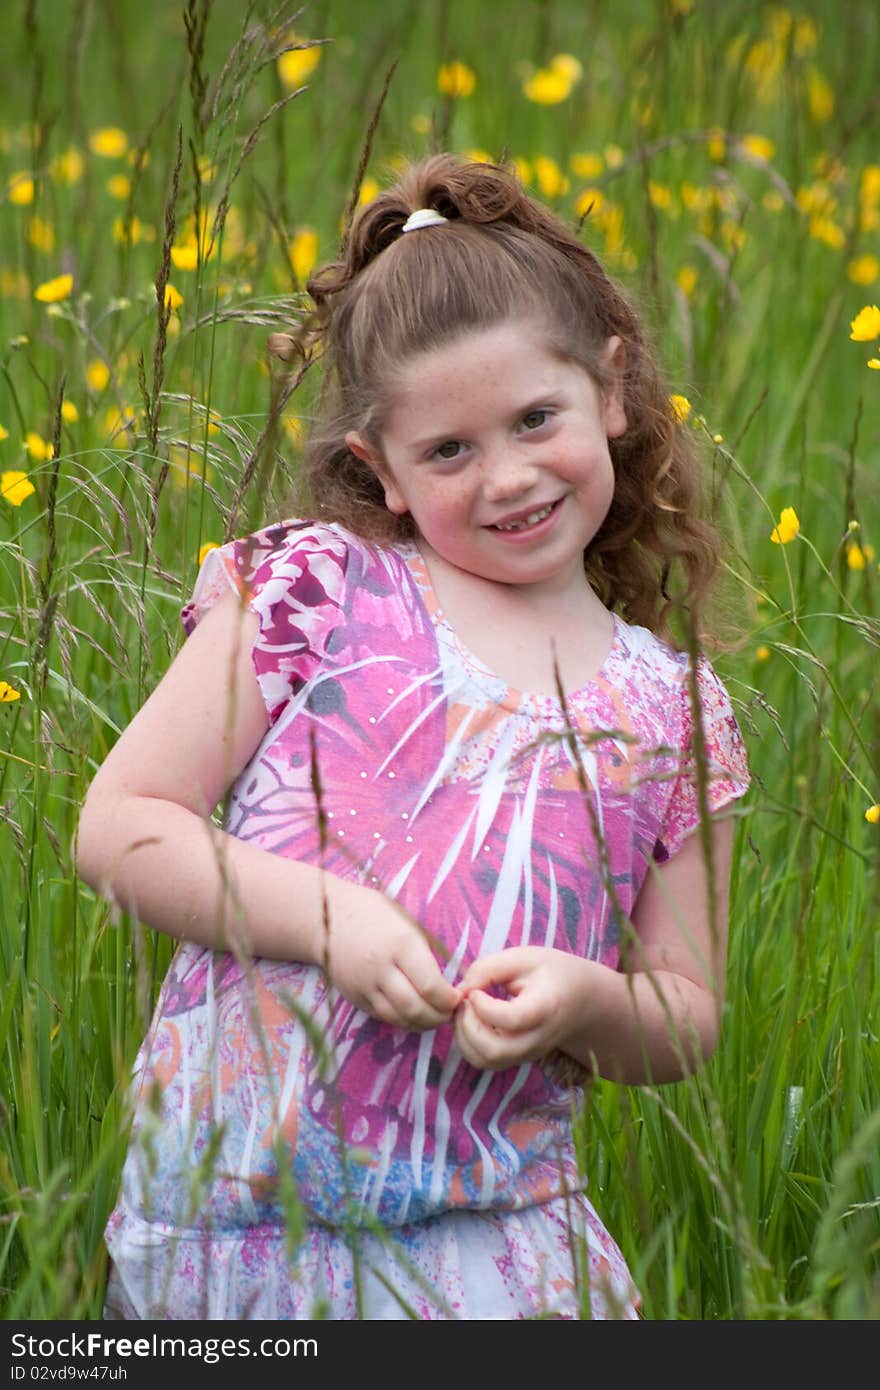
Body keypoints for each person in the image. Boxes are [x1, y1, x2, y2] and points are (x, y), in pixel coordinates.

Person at [76, 153, 750, 1321]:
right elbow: (122, 825)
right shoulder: (317, 593)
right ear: (377, 471)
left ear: (613, 392)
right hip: (238, 1227)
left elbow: (683, 1011)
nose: (508, 476)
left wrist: (589, 1000)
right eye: (448, 451)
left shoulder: (675, 714)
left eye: (537, 419)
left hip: (502, 1234)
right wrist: (325, 920)